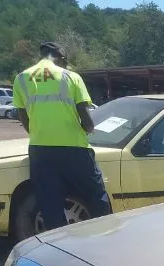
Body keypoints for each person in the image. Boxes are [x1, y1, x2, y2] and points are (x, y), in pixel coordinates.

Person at [12, 42, 110, 232]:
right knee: (95, 195)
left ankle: (58, 244)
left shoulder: (21, 78)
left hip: (41, 150)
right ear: (61, 58)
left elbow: (23, 116)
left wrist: (40, 133)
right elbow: (88, 122)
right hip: (75, 149)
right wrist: (88, 128)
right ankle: (104, 235)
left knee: (49, 201)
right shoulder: (70, 76)